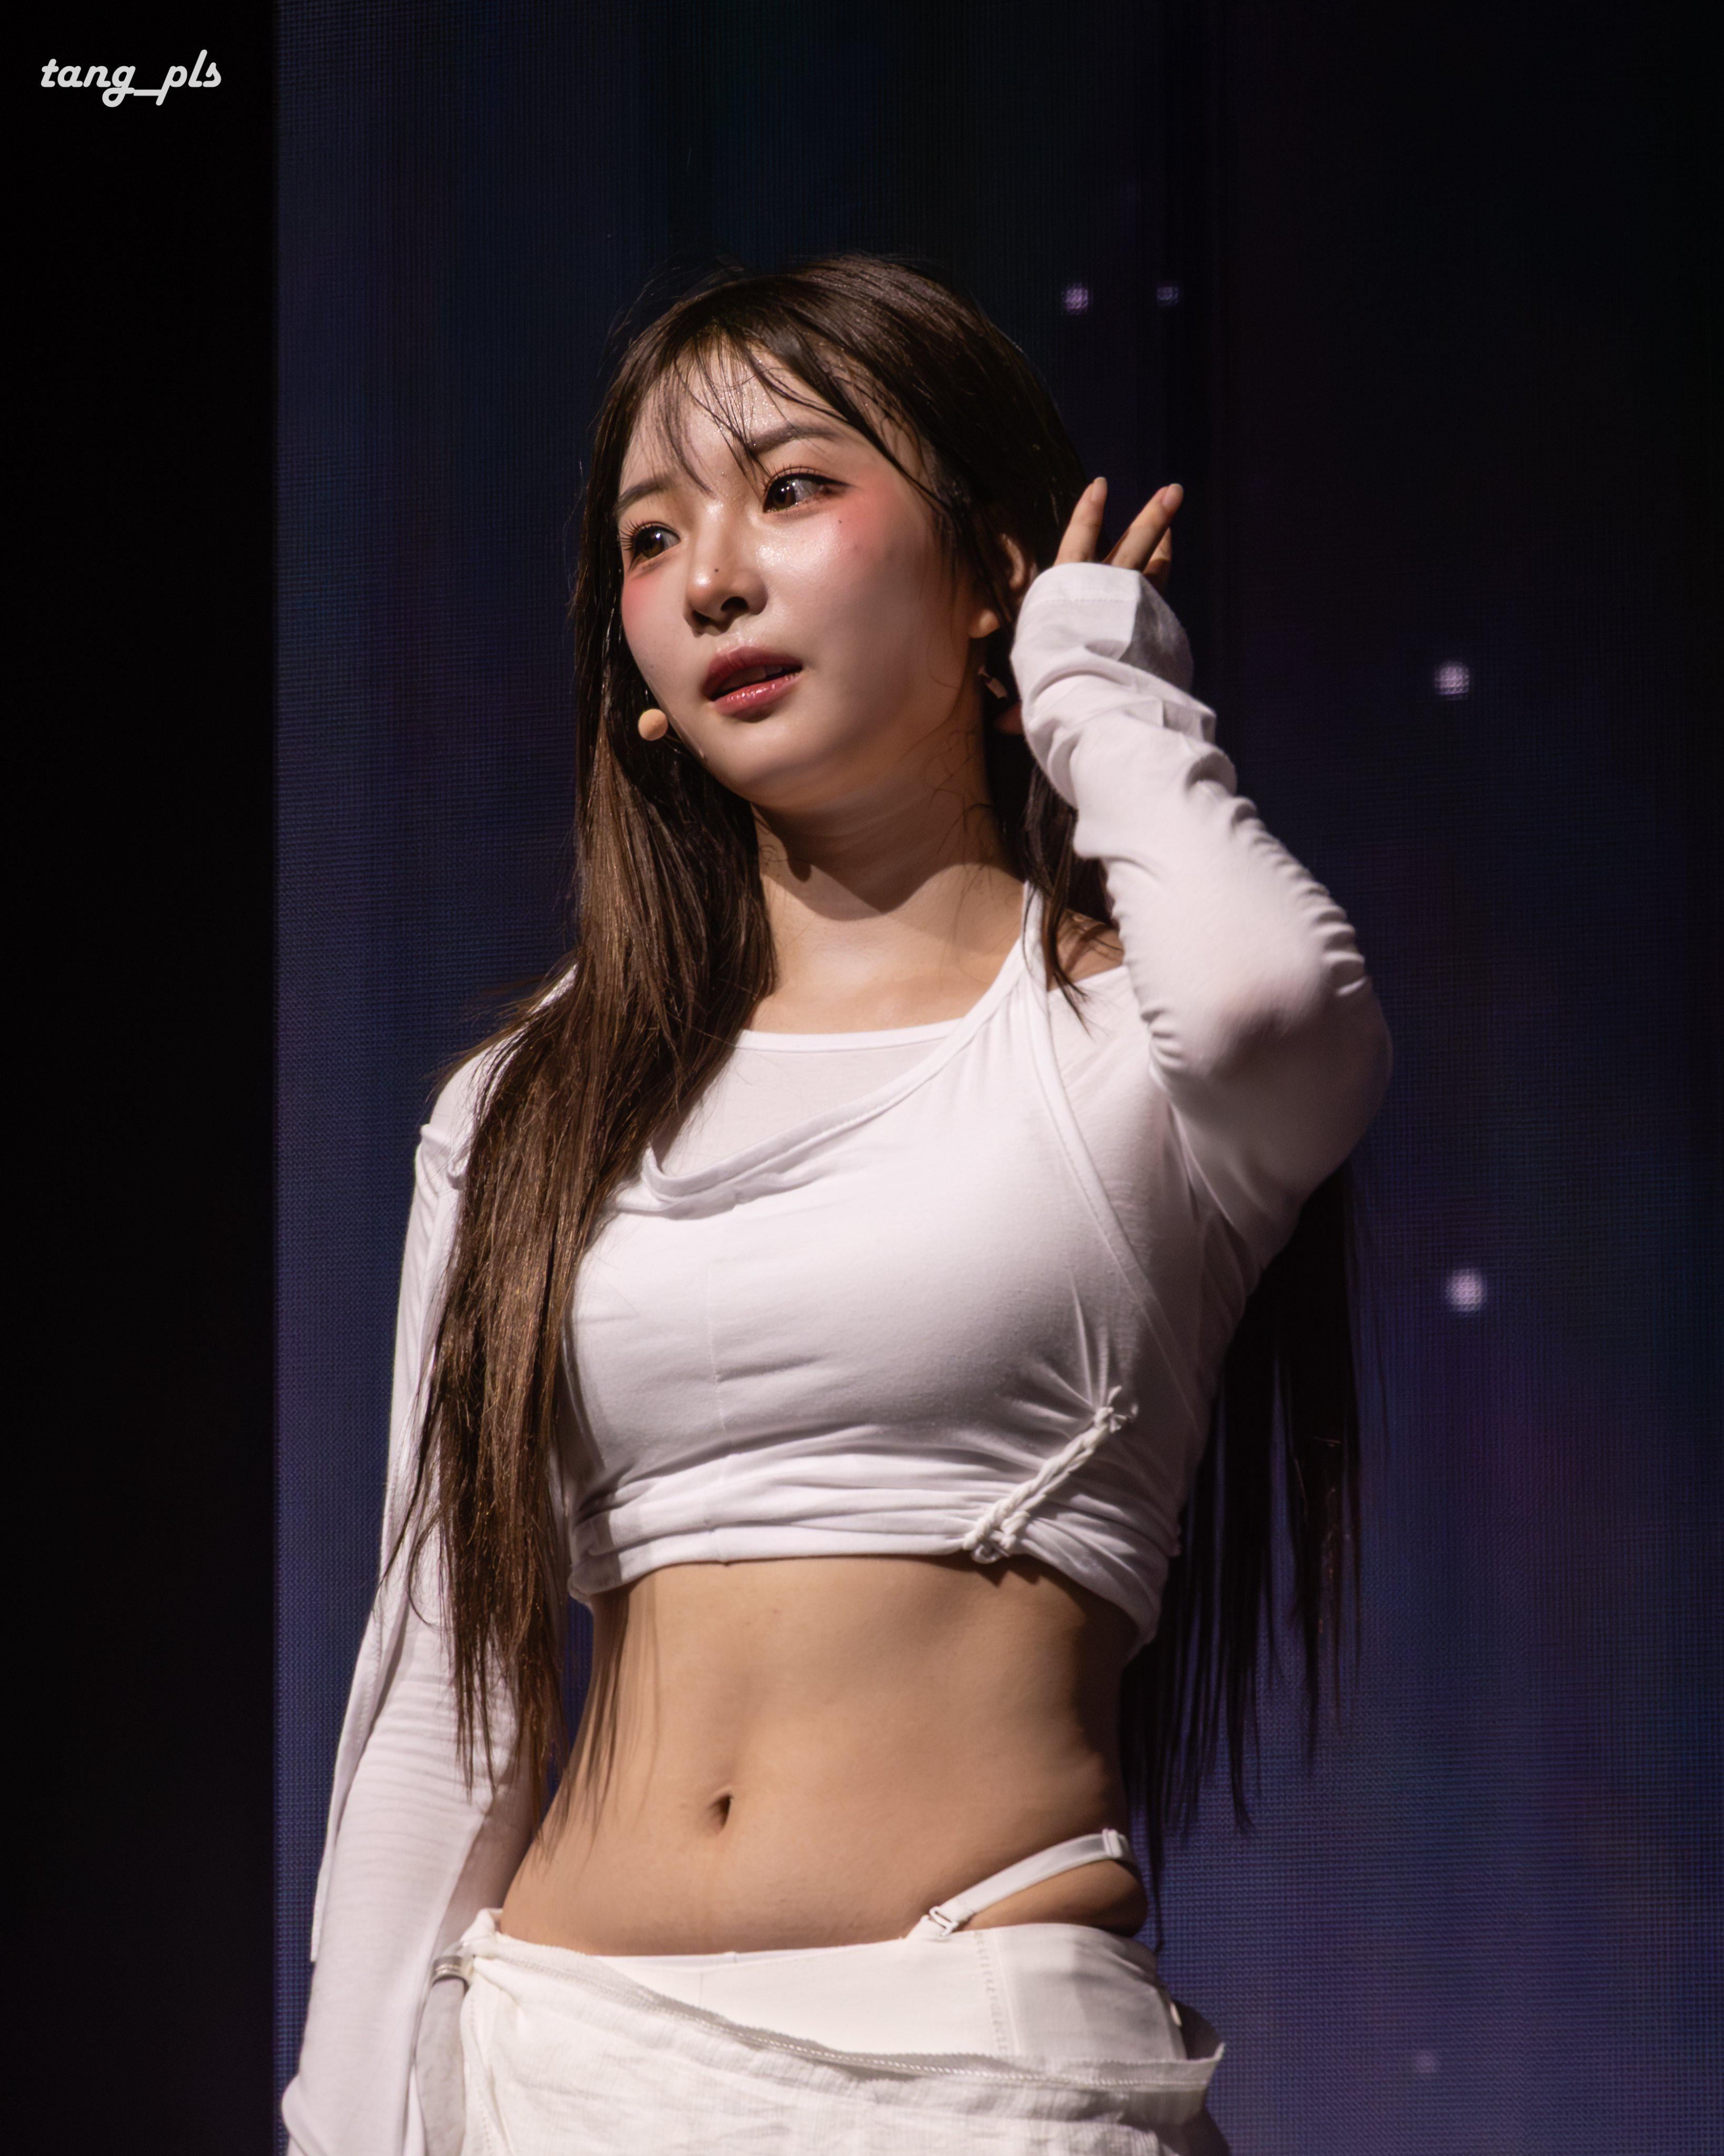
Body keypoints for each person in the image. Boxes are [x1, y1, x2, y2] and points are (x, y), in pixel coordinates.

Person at [283, 254, 1391, 2155]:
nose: (711, 576)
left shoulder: (1127, 1050)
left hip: (967, 2075)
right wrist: (343, 2126)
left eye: (791, 489)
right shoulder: (529, 1105)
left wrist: (1099, 689)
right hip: (549, 2064)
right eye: (651, 538)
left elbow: (1279, 1008)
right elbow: (436, 1688)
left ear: (983, 575)